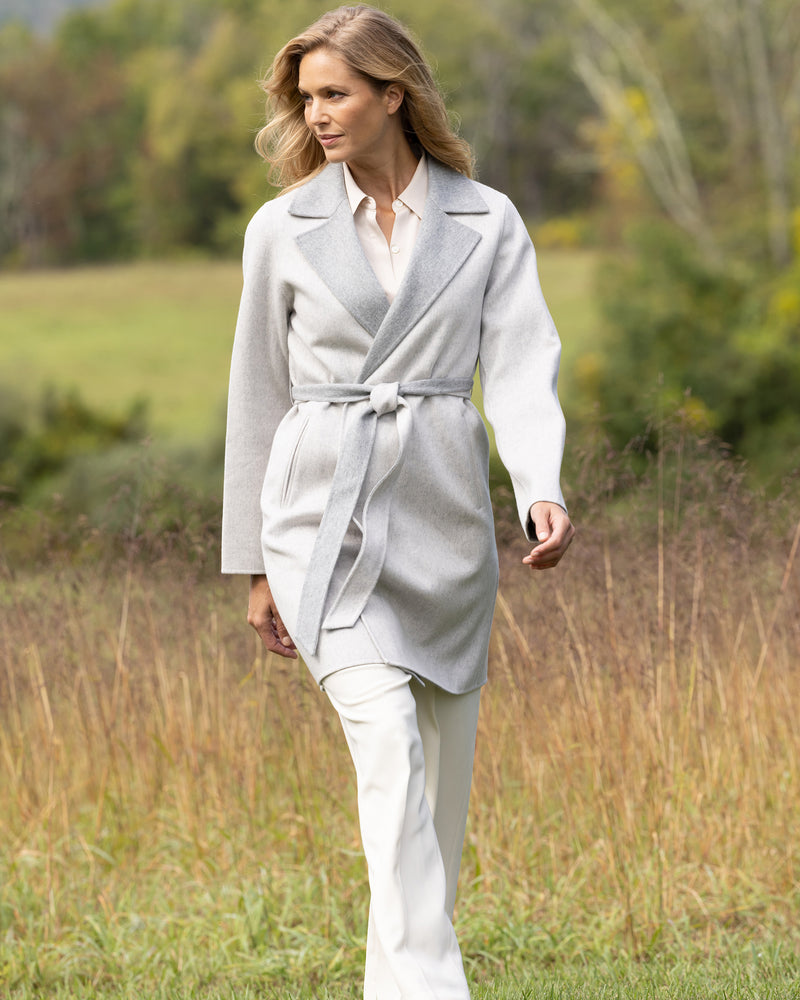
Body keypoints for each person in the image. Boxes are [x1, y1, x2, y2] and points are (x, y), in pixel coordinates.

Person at [221, 5, 574, 997]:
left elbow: (516, 366)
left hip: (443, 511)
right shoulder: (280, 228)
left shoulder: (484, 220)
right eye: (307, 99)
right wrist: (250, 562)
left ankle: (399, 980)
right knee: (382, 739)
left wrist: (537, 487)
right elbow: (256, 393)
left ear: (392, 93)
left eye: (335, 94)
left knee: (438, 779)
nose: (318, 116)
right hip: (317, 517)